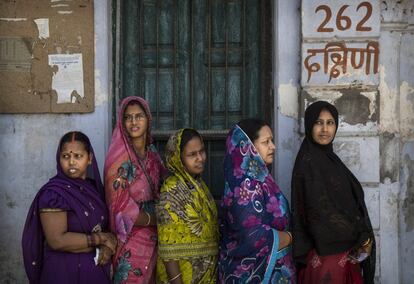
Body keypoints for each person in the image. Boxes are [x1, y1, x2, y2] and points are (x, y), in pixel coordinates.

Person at [291, 101, 375, 284]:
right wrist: (361, 236)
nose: (324, 129)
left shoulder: (328, 159)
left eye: (330, 123)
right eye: (318, 122)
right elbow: (318, 212)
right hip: (325, 260)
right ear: (309, 125)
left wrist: (363, 238)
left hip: (344, 256)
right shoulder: (309, 162)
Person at [22, 131, 117, 284]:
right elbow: (57, 240)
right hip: (63, 273)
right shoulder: (54, 194)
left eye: (78, 156)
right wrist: (102, 239)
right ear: (59, 159)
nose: (71, 162)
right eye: (66, 156)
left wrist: (107, 244)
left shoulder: (95, 190)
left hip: (94, 272)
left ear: (89, 158)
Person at [219, 119, 296, 283]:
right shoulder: (244, 186)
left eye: (272, 141)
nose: (273, 146)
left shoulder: (263, 180)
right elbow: (254, 235)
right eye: (266, 142)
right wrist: (291, 237)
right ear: (248, 147)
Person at [104, 96, 166, 283]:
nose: (133, 122)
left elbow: (164, 189)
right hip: (132, 242)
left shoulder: (153, 155)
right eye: (128, 117)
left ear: (148, 119)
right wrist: (156, 218)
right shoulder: (118, 159)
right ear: (122, 123)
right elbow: (120, 210)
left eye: (139, 116)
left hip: (158, 240)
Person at [156, 128, 219, 284]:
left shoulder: (199, 186)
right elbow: (168, 248)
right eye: (192, 155)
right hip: (184, 277)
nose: (200, 158)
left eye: (201, 152)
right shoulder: (172, 190)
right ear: (178, 158)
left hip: (207, 274)